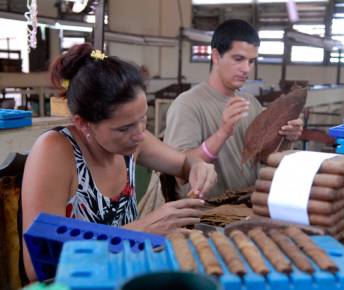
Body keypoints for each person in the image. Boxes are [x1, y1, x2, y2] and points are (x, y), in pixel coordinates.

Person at [20, 43, 217, 282]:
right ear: (84, 123)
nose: (140, 134)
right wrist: (142, 229)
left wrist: (199, 167)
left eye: (143, 118)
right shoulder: (56, 152)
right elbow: (37, 267)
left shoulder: (132, 143)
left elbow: (185, 161)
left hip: (123, 276)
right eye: (124, 128)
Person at [163, 19, 303, 198]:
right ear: (215, 56)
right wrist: (223, 133)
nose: (246, 68)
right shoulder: (188, 105)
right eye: (238, 59)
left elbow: (262, 157)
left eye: (251, 61)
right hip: (204, 216)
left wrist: (287, 137)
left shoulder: (250, 103)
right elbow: (178, 171)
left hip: (242, 208)